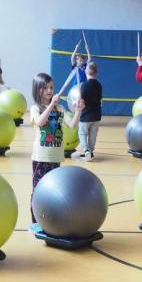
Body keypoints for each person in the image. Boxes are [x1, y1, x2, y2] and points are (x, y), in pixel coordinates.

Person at [29, 73, 83, 233]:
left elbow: (72, 125)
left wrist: (78, 111)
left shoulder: (60, 109)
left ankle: (51, 221)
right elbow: (40, 122)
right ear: (37, 90)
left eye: (51, 87)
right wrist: (51, 105)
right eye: (45, 88)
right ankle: (35, 222)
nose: (49, 90)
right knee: (38, 191)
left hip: (56, 158)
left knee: (53, 192)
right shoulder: (35, 108)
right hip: (40, 158)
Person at [78, 61, 102, 162]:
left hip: (85, 115)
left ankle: (86, 150)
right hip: (96, 115)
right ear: (97, 73)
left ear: (86, 72)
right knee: (93, 135)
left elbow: (81, 99)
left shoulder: (84, 85)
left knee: (82, 133)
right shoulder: (99, 85)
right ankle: (91, 152)